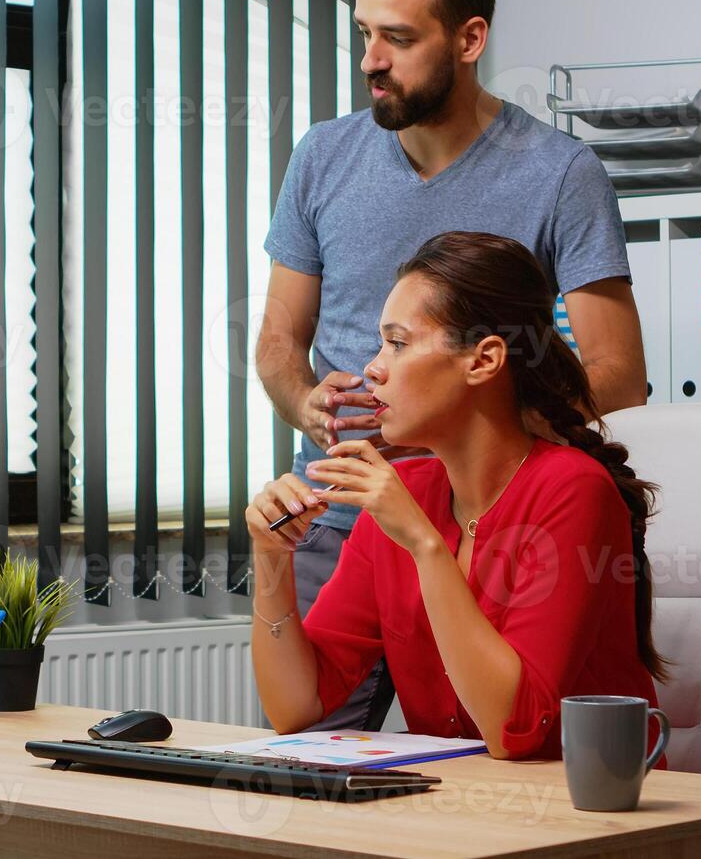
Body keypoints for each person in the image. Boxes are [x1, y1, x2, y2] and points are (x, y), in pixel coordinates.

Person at [256, 0, 646, 728]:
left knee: (498, 729)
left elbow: (618, 375)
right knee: (320, 771)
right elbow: (276, 346)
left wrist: (475, 433)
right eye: (364, 33)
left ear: (470, 40)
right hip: (347, 510)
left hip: (490, 507)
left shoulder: (559, 173)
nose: (371, 59)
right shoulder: (322, 157)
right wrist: (306, 406)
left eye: (398, 38)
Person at [246, 231, 668, 761]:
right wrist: (272, 557)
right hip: (465, 805)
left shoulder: (572, 491)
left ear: (483, 361)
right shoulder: (407, 496)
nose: (374, 367)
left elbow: (514, 727)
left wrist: (425, 545)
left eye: (397, 343)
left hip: (591, 814)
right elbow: (296, 706)